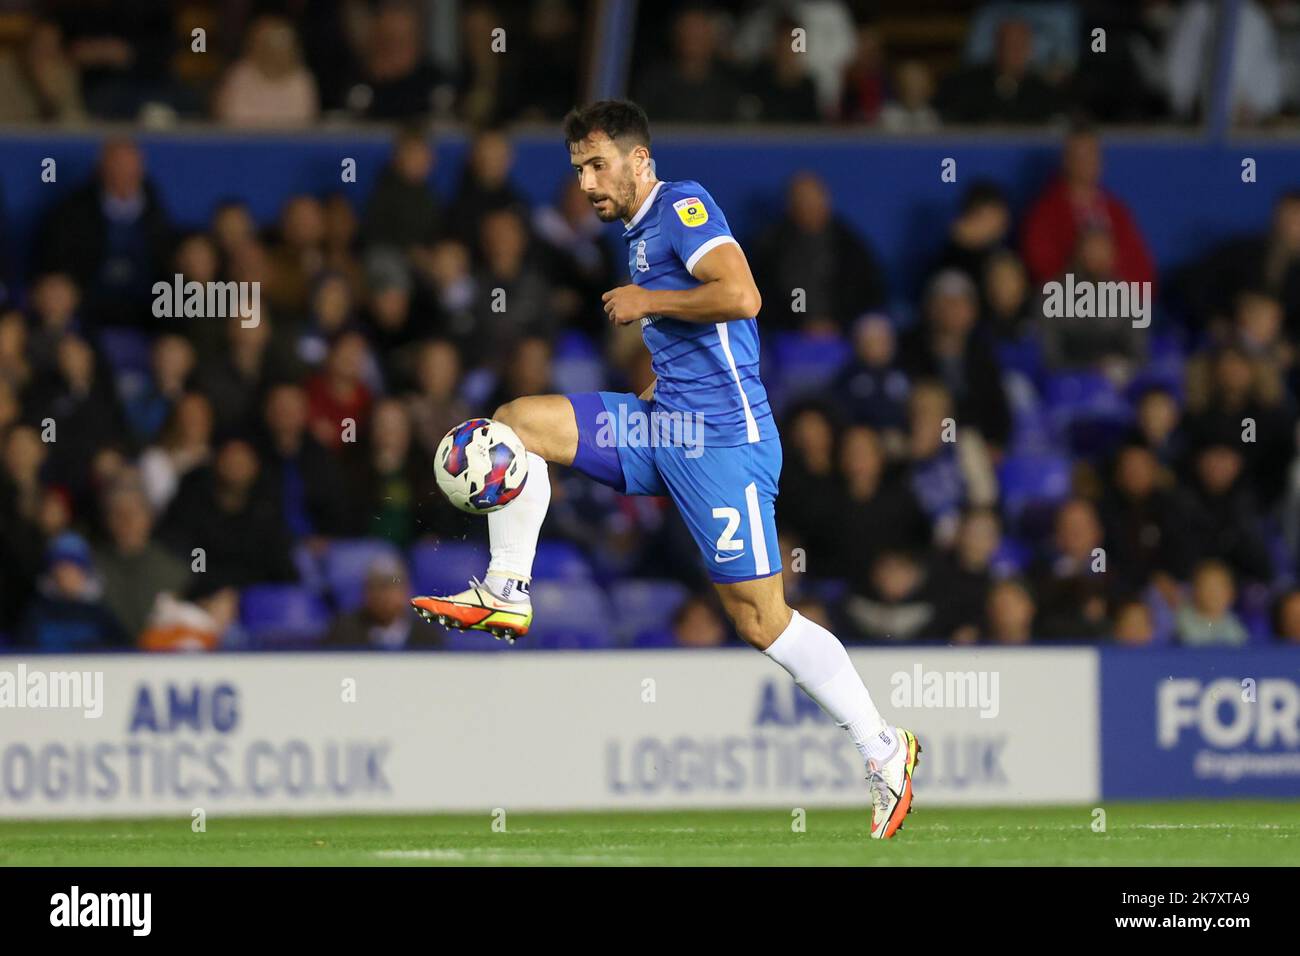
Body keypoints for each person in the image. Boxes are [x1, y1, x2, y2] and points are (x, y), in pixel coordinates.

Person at [410, 100, 919, 840]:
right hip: (666, 423)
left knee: (760, 620)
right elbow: (695, 345)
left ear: (638, 160)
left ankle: (884, 748)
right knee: (517, 424)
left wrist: (649, 299)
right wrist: (654, 383)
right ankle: (506, 590)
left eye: (596, 164)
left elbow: (743, 296)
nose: (585, 182)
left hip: (722, 444)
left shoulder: (681, 204)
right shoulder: (638, 232)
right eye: (577, 168)